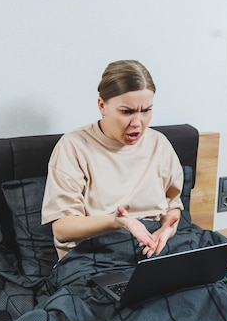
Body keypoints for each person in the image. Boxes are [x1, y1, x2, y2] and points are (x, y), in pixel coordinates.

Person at [41, 60, 183, 260]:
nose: (138, 123)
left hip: (151, 248)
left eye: (146, 110)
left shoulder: (159, 144)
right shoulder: (74, 146)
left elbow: (172, 206)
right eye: (127, 112)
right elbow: (62, 229)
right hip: (95, 254)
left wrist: (166, 231)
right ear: (102, 105)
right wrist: (116, 222)